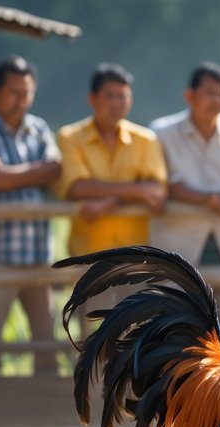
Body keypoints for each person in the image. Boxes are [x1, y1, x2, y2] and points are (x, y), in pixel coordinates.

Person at [149, 62, 220, 340]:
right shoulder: (162, 133)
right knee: (176, 334)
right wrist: (214, 200)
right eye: (210, 92)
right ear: (190, 96)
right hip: (178, 248)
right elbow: (163, 183)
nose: (217, 100)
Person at [0, 55, 62, 377]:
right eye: (14, 92)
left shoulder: (38, 128)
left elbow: (56, 171)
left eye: (26, 92)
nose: (21, 100)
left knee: (46, 346)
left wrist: (11, 175)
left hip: (38, 255)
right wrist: (36, 172)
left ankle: (40, 413)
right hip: (0, 254)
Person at [55, 63, 167, 321]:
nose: (117, 103)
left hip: (136, 259)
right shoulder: (70, 136)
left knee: (133, 334)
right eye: (110, 96)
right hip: (90, 259)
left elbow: (158, 192)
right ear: (92, 99)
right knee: (89, 337)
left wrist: (107, 200)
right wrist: (136, 191)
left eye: (123, 96)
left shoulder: (146, 139)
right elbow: (76, 187)